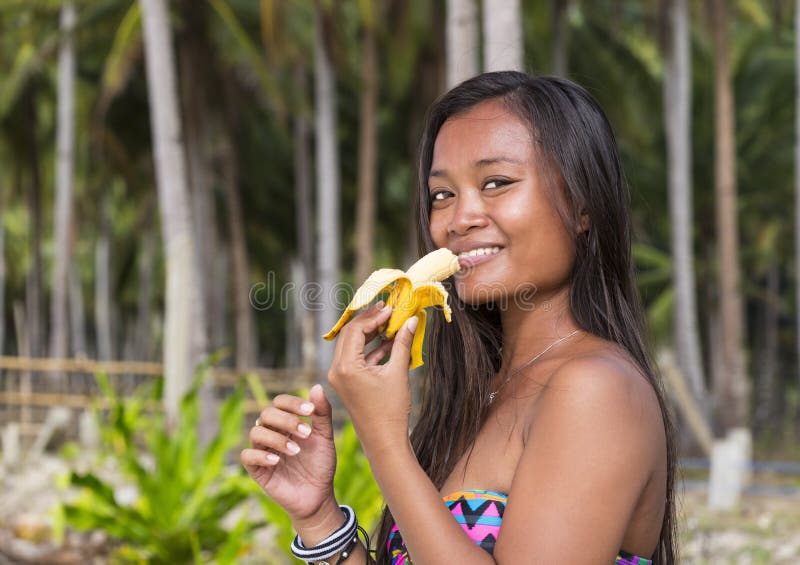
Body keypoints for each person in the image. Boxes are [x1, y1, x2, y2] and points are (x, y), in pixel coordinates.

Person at [241, 71, 677, 564]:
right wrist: (319, 518)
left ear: (582, 206)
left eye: (496, 183)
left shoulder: (595, 389)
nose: (459, 218)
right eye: (442, 194)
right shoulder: (480, 390)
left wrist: (384, 440)